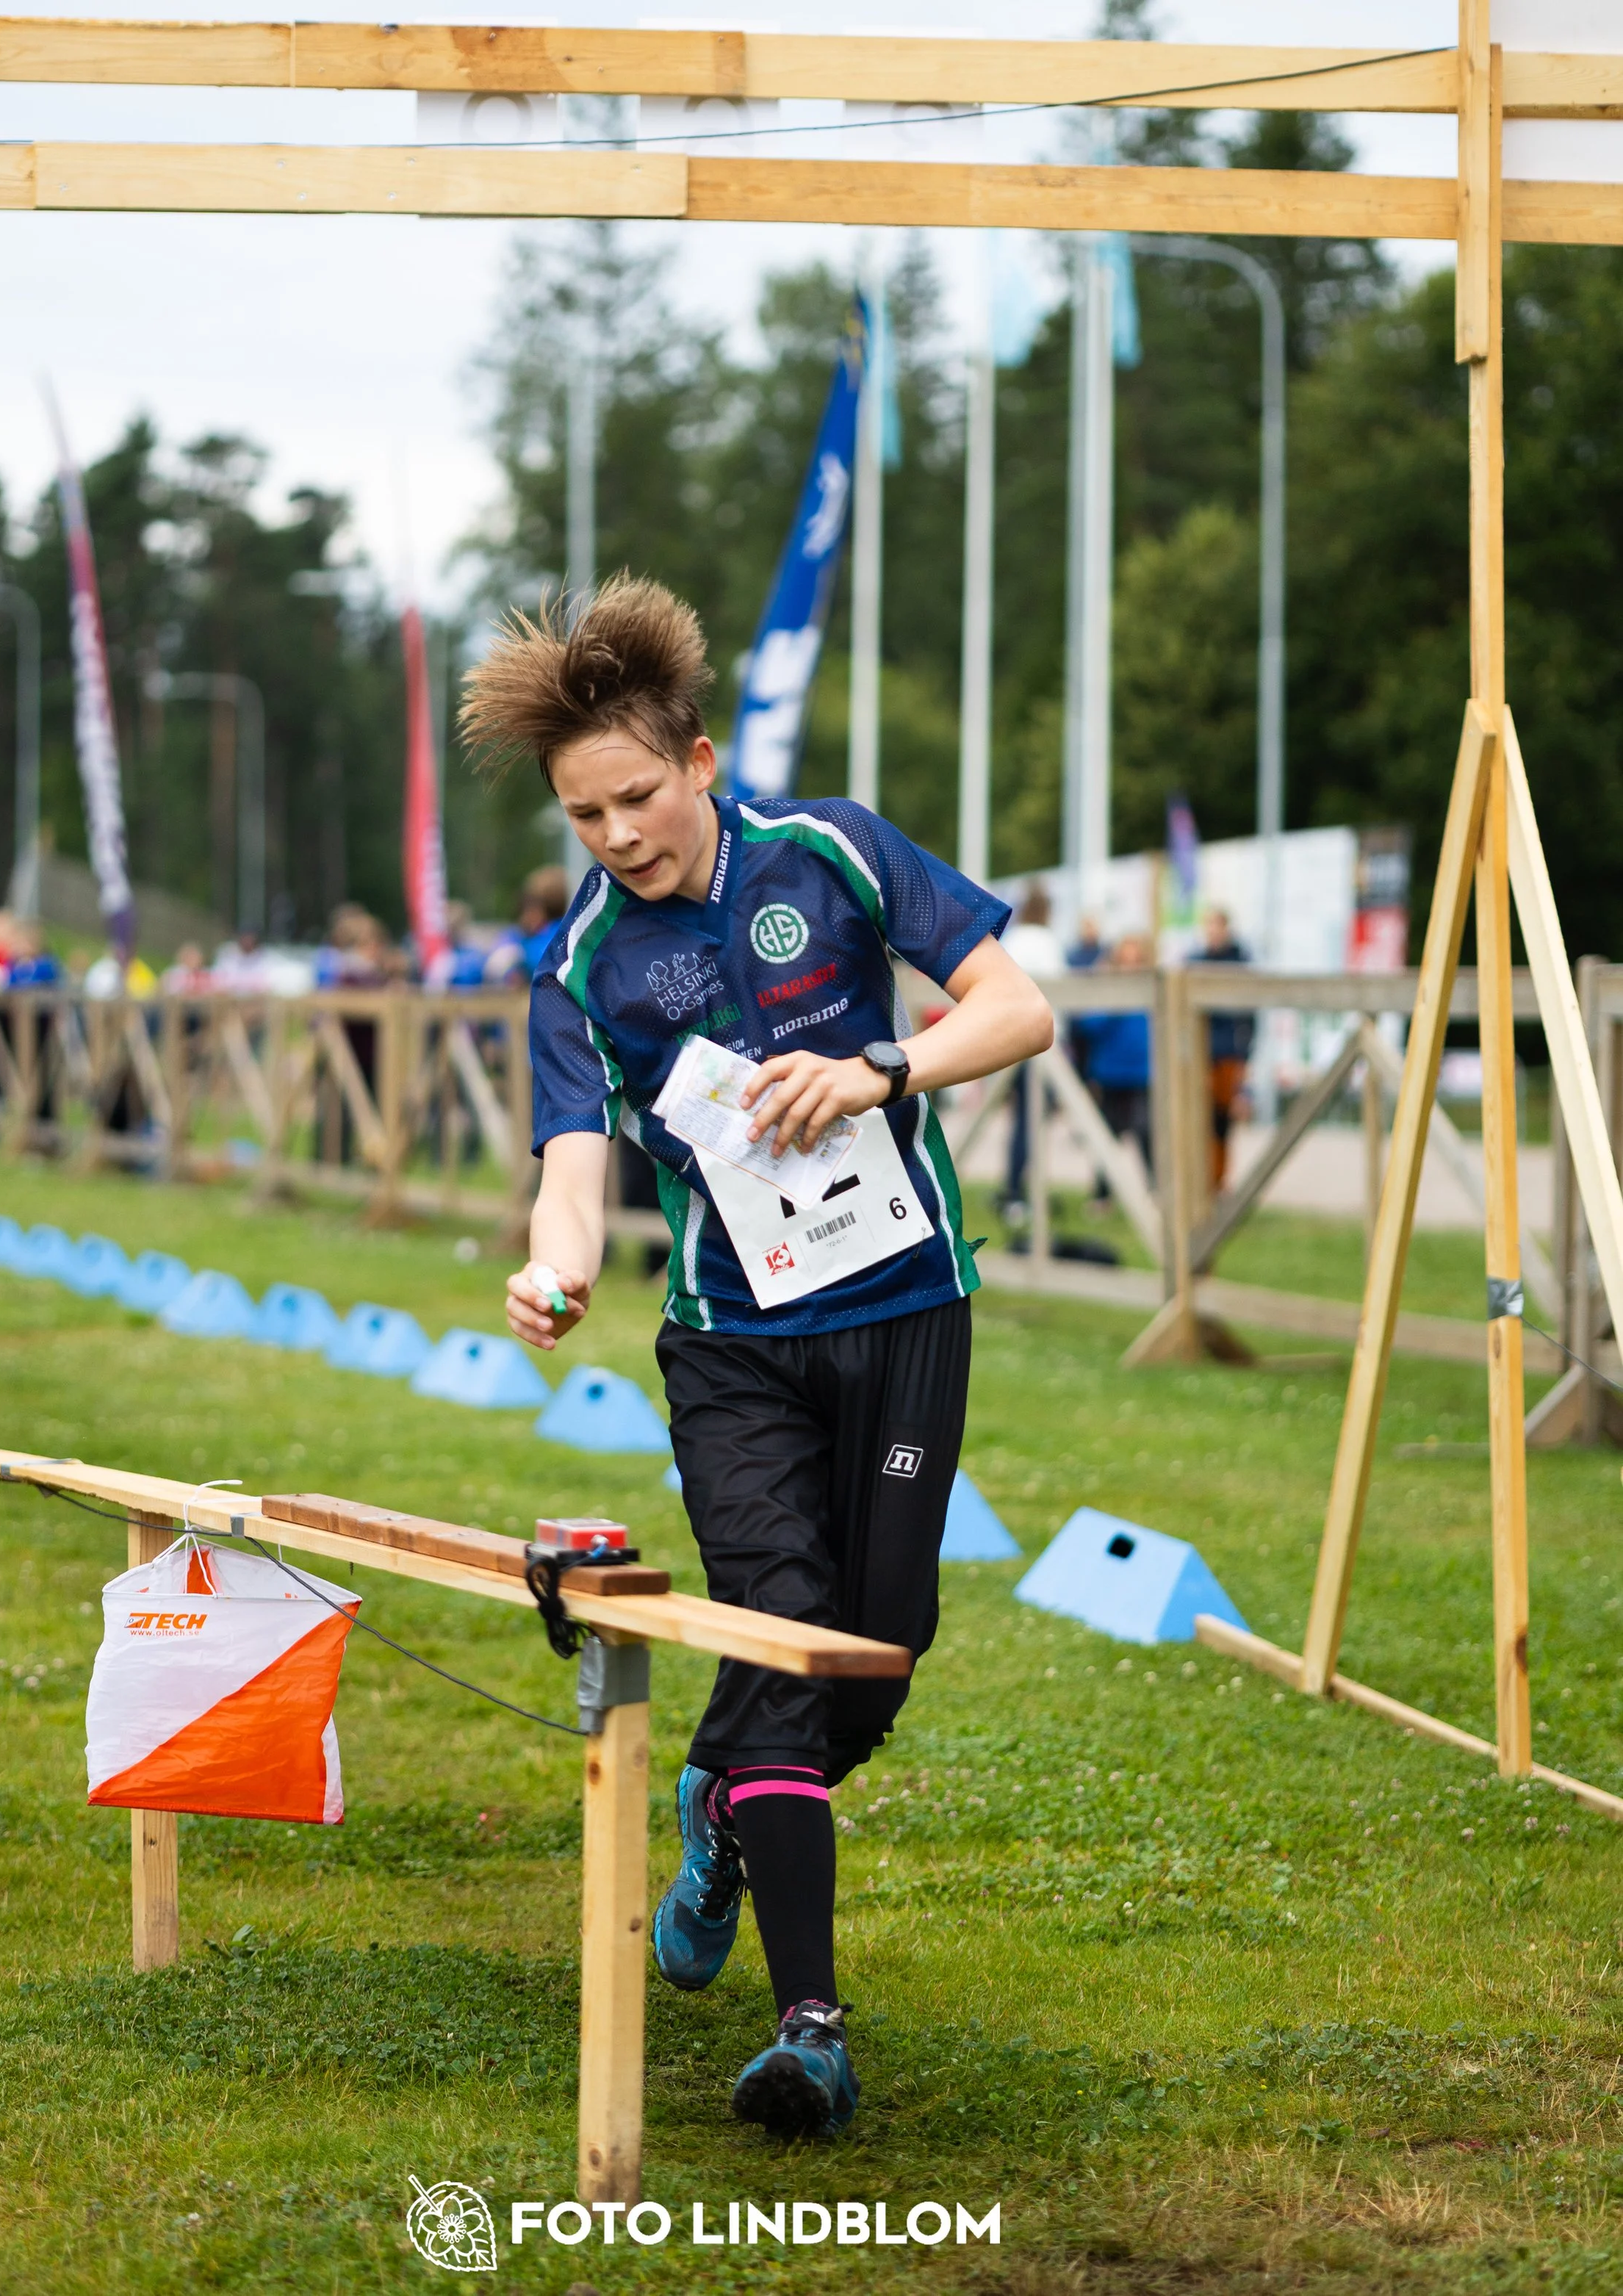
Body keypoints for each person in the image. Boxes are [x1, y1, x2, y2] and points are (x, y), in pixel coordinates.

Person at [460, 576, 1052, 2141]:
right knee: (782, 1634)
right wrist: (554, 1263)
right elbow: (571, 1157)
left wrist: (879, 1066)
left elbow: (1017, 1005)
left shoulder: (832, 854)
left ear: (701, 759)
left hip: (906, 1303)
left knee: (874, 1652)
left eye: (636, 796)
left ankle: (723, 1812)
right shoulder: (582, 960)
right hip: (730, 1343)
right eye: (583, 813)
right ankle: (810, 2027)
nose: (616, 835)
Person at [1000, 881, 1066, 1220]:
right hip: (1041, 1045)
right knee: (1033, 1121)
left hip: (1009, 1041)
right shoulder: (1047, 943)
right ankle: (1019, 1193)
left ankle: (1013, 1190)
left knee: (1019, 1121)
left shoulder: (1012, 940)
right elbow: (1059, 995)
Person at [1073, 931, 1154, 1178]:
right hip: (1110, 1073)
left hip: (1142, 1073)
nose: (1130, 967)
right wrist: (1113, 1005)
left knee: (1146, 1132)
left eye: (1136, 960)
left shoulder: (1150, 988)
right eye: (1125, 960)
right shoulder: (1105, 989)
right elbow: (1088, 1026)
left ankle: (1156, 1187)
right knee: (1106, 1137)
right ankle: (1103, 1193)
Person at [1194, 907, 1256, 1191]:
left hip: (1229, 1052)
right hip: (1201, 1052)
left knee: (1223, 1120)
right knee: (1200, 1118)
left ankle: (1219, 1180)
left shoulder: (1239, 962)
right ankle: (1204, 1178)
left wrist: (1245, 1059)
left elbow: (1247, 1017)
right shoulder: (1196, 961)